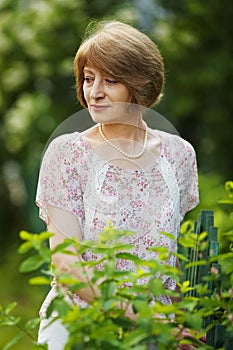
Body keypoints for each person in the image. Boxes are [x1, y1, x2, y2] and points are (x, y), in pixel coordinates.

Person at [36, 20, 199, 349]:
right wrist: (139, 317)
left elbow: (173, 256)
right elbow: (66, 266)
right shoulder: (68, 154)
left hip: (159, 328)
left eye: (110, 80)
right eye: (88, 78)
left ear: (139, 86)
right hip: (82, 323)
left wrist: (183, 320)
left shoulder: (179, 155)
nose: (94, 92)